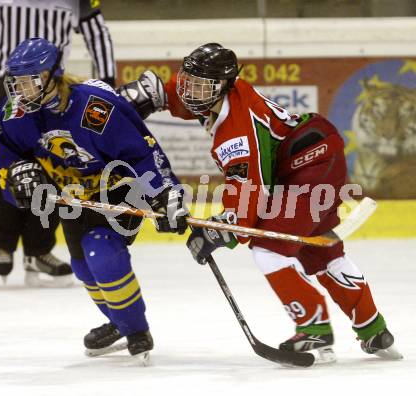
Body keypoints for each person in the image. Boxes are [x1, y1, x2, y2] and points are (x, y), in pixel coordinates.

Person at [143, 43, 402, 363]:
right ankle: (373, 328)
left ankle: (314, 330)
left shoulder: (236, 135)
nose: (189, 90)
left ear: (222, 86)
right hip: (313, 155)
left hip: (309, 164)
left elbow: (248, 201)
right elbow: (186, 100)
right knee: (319, 250)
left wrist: (215, 232)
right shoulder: (225, 92)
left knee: (269, 247)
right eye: (187, 80)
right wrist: (154, 94)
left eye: (199, 86)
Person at [0, 38, 188, 361]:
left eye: (30, 80)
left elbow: (141, 152)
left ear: (52, 75)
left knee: (101, 251)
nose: (21, 89)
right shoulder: (14, 114)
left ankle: (137, 332)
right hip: (73, 195)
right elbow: (5, 152)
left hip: (117, 187)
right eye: (17, 82)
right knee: (84, 266)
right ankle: (119, 321)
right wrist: (16, 174)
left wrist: (166, 193)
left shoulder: (95, 108)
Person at [0, 0, 116, 286]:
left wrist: (107, 85)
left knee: (53, 161)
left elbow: (97, 33)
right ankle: (4, 242)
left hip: (50, 84)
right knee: (3, 160)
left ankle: (38, 250)